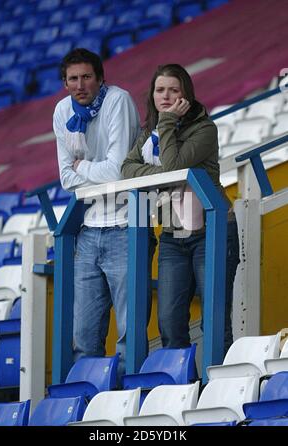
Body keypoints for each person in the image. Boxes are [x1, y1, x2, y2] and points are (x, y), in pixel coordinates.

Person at [121, 64, 240, 355]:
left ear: (186, 95)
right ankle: (181, 391)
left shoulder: (204, 129)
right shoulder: (149, 134)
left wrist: (167, 122)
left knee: (214, 318)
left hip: (211, 231)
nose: (165, 96)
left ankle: (218, 388)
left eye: (173, 90)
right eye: (160, 90)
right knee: (170, 322)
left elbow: (175, 167)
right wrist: (162, 130)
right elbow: (126, 169)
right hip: (173, 236)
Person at [53, 48, 141, 379]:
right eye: (73, 78)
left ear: (100, 78)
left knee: (129, 329)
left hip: (127, 225)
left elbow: (119, 171)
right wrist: (90, 171)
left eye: (86, 76)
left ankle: (126, 400)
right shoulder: (62, 110)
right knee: (84, 332)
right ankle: (88, 400)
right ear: (65, 83)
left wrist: (83, 167)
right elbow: (65, 178)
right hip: (89, 229)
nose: (80, 85)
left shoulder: (118, 100)